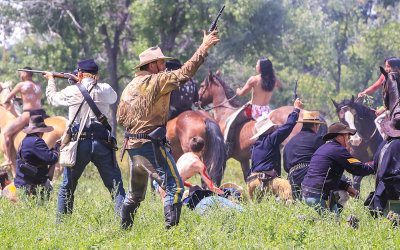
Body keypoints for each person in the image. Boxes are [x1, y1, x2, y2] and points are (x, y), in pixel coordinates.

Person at [117, 30, 220, 230]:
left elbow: (121, 118)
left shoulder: (130, 86)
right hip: (151, 146)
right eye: (161, 63)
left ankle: (123, 231)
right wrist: (204, 47)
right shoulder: (157, 81)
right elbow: (185, 73)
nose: (164, 67)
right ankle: (170, 234)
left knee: (135, 195)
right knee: (175, 187)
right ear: (152, 65)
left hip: (133, 146)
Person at [44, 59, 126, 219]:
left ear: (80, 74)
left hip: (78, 143)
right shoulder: (105, 88)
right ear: (97, 74)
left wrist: (51, 81)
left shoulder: (72, 90)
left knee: (67, 186)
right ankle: (124, 225)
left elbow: (52, 99)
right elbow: (114, 98)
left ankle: (62, 225)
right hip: (102, 142)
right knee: (116, 187)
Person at [301, 122, 374, 215]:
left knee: (331, 222)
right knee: (333, 225)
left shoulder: (323, 148)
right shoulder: (339, 150)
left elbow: (326, 176)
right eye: (347, 135)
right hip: (319, 196)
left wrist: (346, 187)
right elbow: (358, 168)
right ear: (339, 137)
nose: (350, 138)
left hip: (307, 194)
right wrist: (376, 166)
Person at [246, 98, 303, 201]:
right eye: (272, 128)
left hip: (252, 182)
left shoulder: (255, 145)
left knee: (258, 208)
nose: (275, 128)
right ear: (268, 130)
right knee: (288, 191)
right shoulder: (271, 139)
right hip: (266, 179)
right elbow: (288, 126)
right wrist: (296, 109)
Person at [1, 67, 47, 167]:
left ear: (25, 74)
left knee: (6, 133)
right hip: (40, 113)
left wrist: (6, 101)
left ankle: (8, 159)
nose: (21, 75)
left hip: (29, 114)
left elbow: (7, 98)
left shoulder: (21, 85)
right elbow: (30, 98)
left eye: (22, 73)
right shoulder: (37, 85)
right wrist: (20, 99)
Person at [155, 136, 224, 202]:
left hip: (161, 183)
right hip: (170, 188)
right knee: (173, 212)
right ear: (203, 148)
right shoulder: (200, 165)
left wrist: (190, 185)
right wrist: (225, 194)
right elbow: (211, 187)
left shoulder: (184, 156)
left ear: (190, 146)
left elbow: (177, 176)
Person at [283, 111, 325, 200]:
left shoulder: (290, 142)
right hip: (310, 176)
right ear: (315, 125)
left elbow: (286, 167)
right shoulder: (318, 139)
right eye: (318, 125)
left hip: (292, 179)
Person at [14, 115, 59, 197]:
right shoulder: (37, 141)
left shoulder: (25, 141)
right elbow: (52, 159)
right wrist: (56, 151)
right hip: (31, 185)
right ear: (40, 131)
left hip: (23, 183)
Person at [368, 115, 400, 217]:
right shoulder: (397, 145)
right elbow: (388, 175)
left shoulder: (385, 143)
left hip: (381, 195)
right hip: (393, 197)